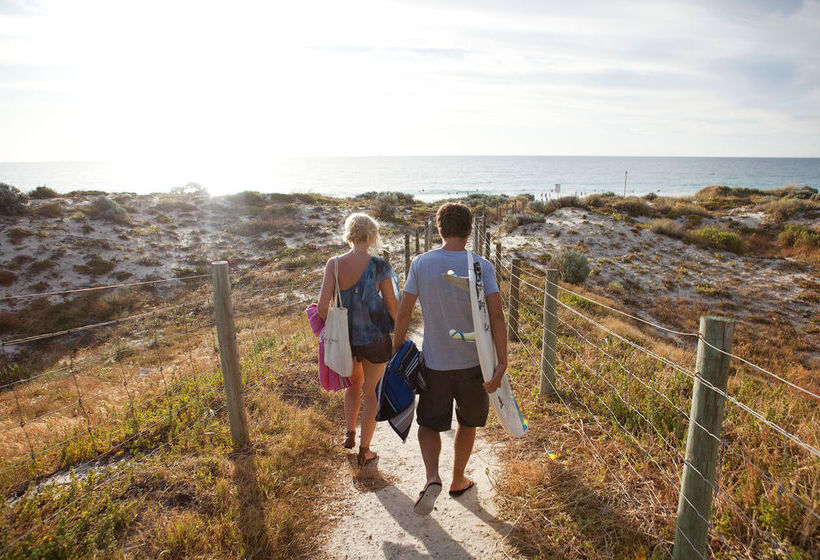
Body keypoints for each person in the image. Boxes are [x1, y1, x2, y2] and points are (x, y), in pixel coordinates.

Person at [393, 202, 508, 515]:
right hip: (476, 364)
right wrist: (502, 361)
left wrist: (397, 350)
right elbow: (497, 316)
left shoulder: (421, 263)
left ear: (439, 229)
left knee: (429, 423)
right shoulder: (481, 266)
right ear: (470, 231)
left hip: (435, 364)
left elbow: (404, 312)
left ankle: (432, 477)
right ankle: (458, 479)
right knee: (468, 422)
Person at [318, 213, 399, 466]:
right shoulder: (379, 266)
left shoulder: (334, 264)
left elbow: (322, 308)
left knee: (353, 386)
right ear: (372, 235)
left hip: (346, 341)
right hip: (375, 338)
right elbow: (393, 307)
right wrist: (399, 330)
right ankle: (365, 450)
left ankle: (349, 434)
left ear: (349, 234)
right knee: (372, 393)